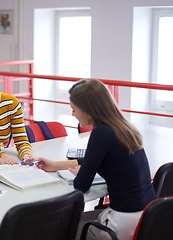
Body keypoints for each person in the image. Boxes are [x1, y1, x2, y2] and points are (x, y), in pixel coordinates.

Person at [34, 79, 156, 240]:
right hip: (148, 216)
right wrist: (57, 165)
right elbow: (97, 159)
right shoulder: (122, 127)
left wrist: (82, 173)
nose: (73, 114)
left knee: (66, 228)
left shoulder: (101, 133)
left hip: (123, 220)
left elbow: (81, 185)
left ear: (87, 111)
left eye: (74, 109)